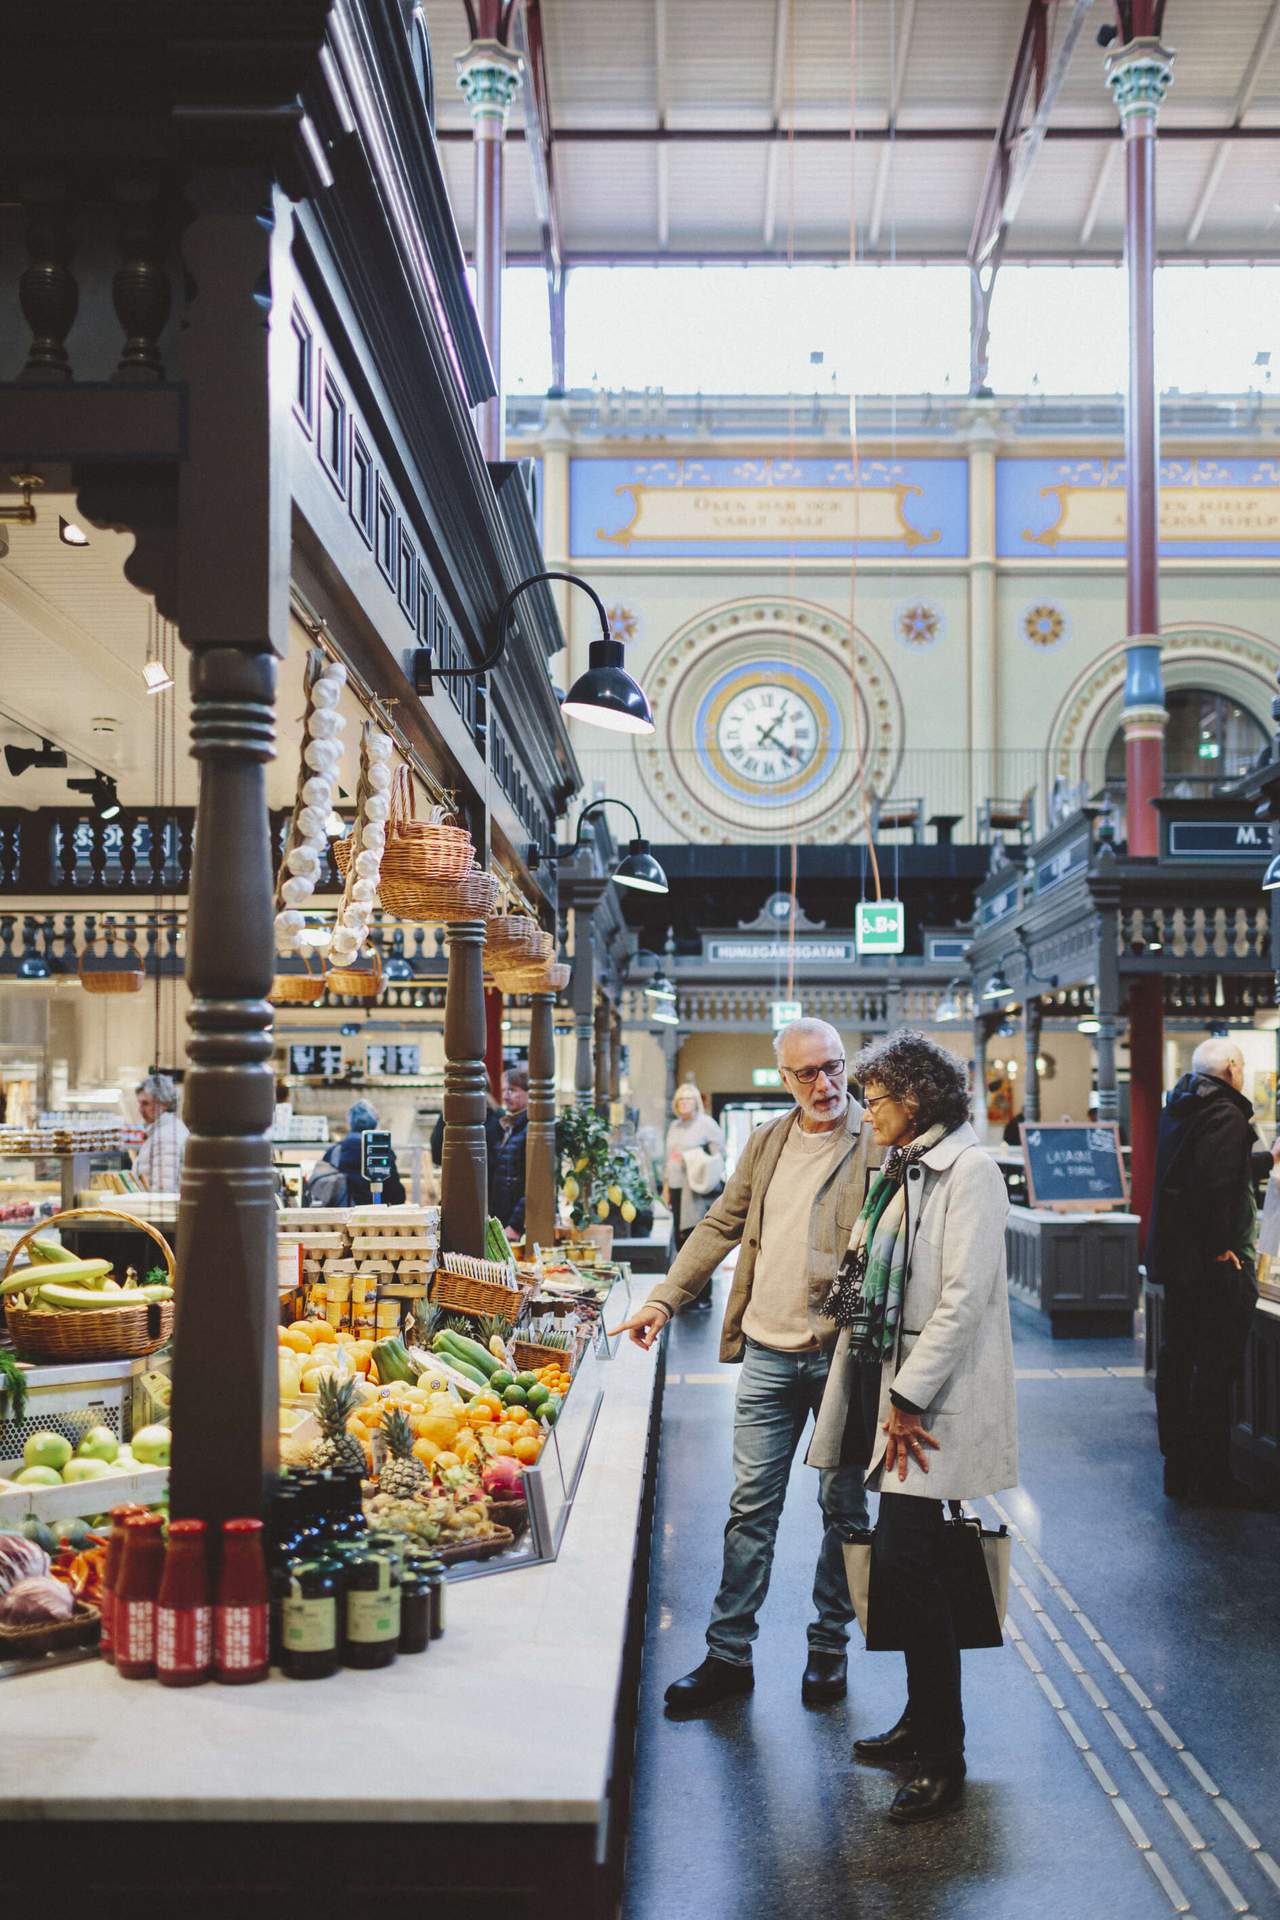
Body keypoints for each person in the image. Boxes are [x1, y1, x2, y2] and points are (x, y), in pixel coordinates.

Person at [610, 1018, 874, 1713]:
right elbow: (721, 1224)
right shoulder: (766, 1143)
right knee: (749, 1511)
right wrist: (665, 1300)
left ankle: (828, 1647)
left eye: (834, 1067)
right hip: (765, 1352)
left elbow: (890, 1244)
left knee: (843, 1507)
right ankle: (729, 1656)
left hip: (841, 1359)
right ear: (784, 1079)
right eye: (808, 1073)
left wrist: (847, 1319)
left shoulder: (879, 1142)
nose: (825, 1084)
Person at [810, 1030, 1015, 1827]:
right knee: (904, 1571)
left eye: (875, 1100)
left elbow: (962, 1299)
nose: (866, 1113)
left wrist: (910, 1395)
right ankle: (918, 1724)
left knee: (914, 1571)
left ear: (917, 1100)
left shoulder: (970, 1173)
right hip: (890, 1392)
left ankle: (944, 1757)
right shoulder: (905, 1169)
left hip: (929, 1409)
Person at [1148, 1037, 1262, 1507]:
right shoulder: (1227, 1114)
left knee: (1178, 1363)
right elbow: (1215, 1186)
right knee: (1214, 1371)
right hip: (1207, 1267)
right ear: (1233, 1068)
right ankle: (1213, 1479)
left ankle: (1179, 1470)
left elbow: (1189, 1175)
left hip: (1177, 1263)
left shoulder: (1182, 1106)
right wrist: (1220, 1250)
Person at [662, 1083, 726, 1308]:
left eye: (689, 1098)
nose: (684, 1102)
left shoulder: (706, 1124)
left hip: (697, 1191)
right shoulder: (674, 1126)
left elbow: (718, 1156)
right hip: (678, 1189)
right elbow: (668, 1159)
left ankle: (703, 1297)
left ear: (696, 1101)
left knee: (697, 1243)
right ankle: (686, 1295)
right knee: (681, 1243)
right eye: (680, 1099)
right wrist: (666, 1189)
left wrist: (691, 1156)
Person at [319, 1100, 405, 1207]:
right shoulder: (382, 1151)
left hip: (342, 1219)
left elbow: (322, 1191)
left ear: (350, 1123)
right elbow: (397, 1197)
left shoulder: (334, 1153)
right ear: (375, 1123)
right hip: (375, 1219)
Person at [489, 1066, 529, 1240]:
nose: (505, 1096)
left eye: (512, 1090)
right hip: (503, 1222)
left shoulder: (531, 1129)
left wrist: (516, 1224)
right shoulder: (508, 1127)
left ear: (529, 1093)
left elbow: (535, 1183)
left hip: (517, 1228)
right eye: (504, 1090)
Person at [133, 1073, 189, 1191]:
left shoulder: (166, 1137)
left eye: (146, 1103)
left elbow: (164, 1190)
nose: (140, 1109)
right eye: (139, 1103)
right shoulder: (164, 1130)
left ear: (164, 1103)